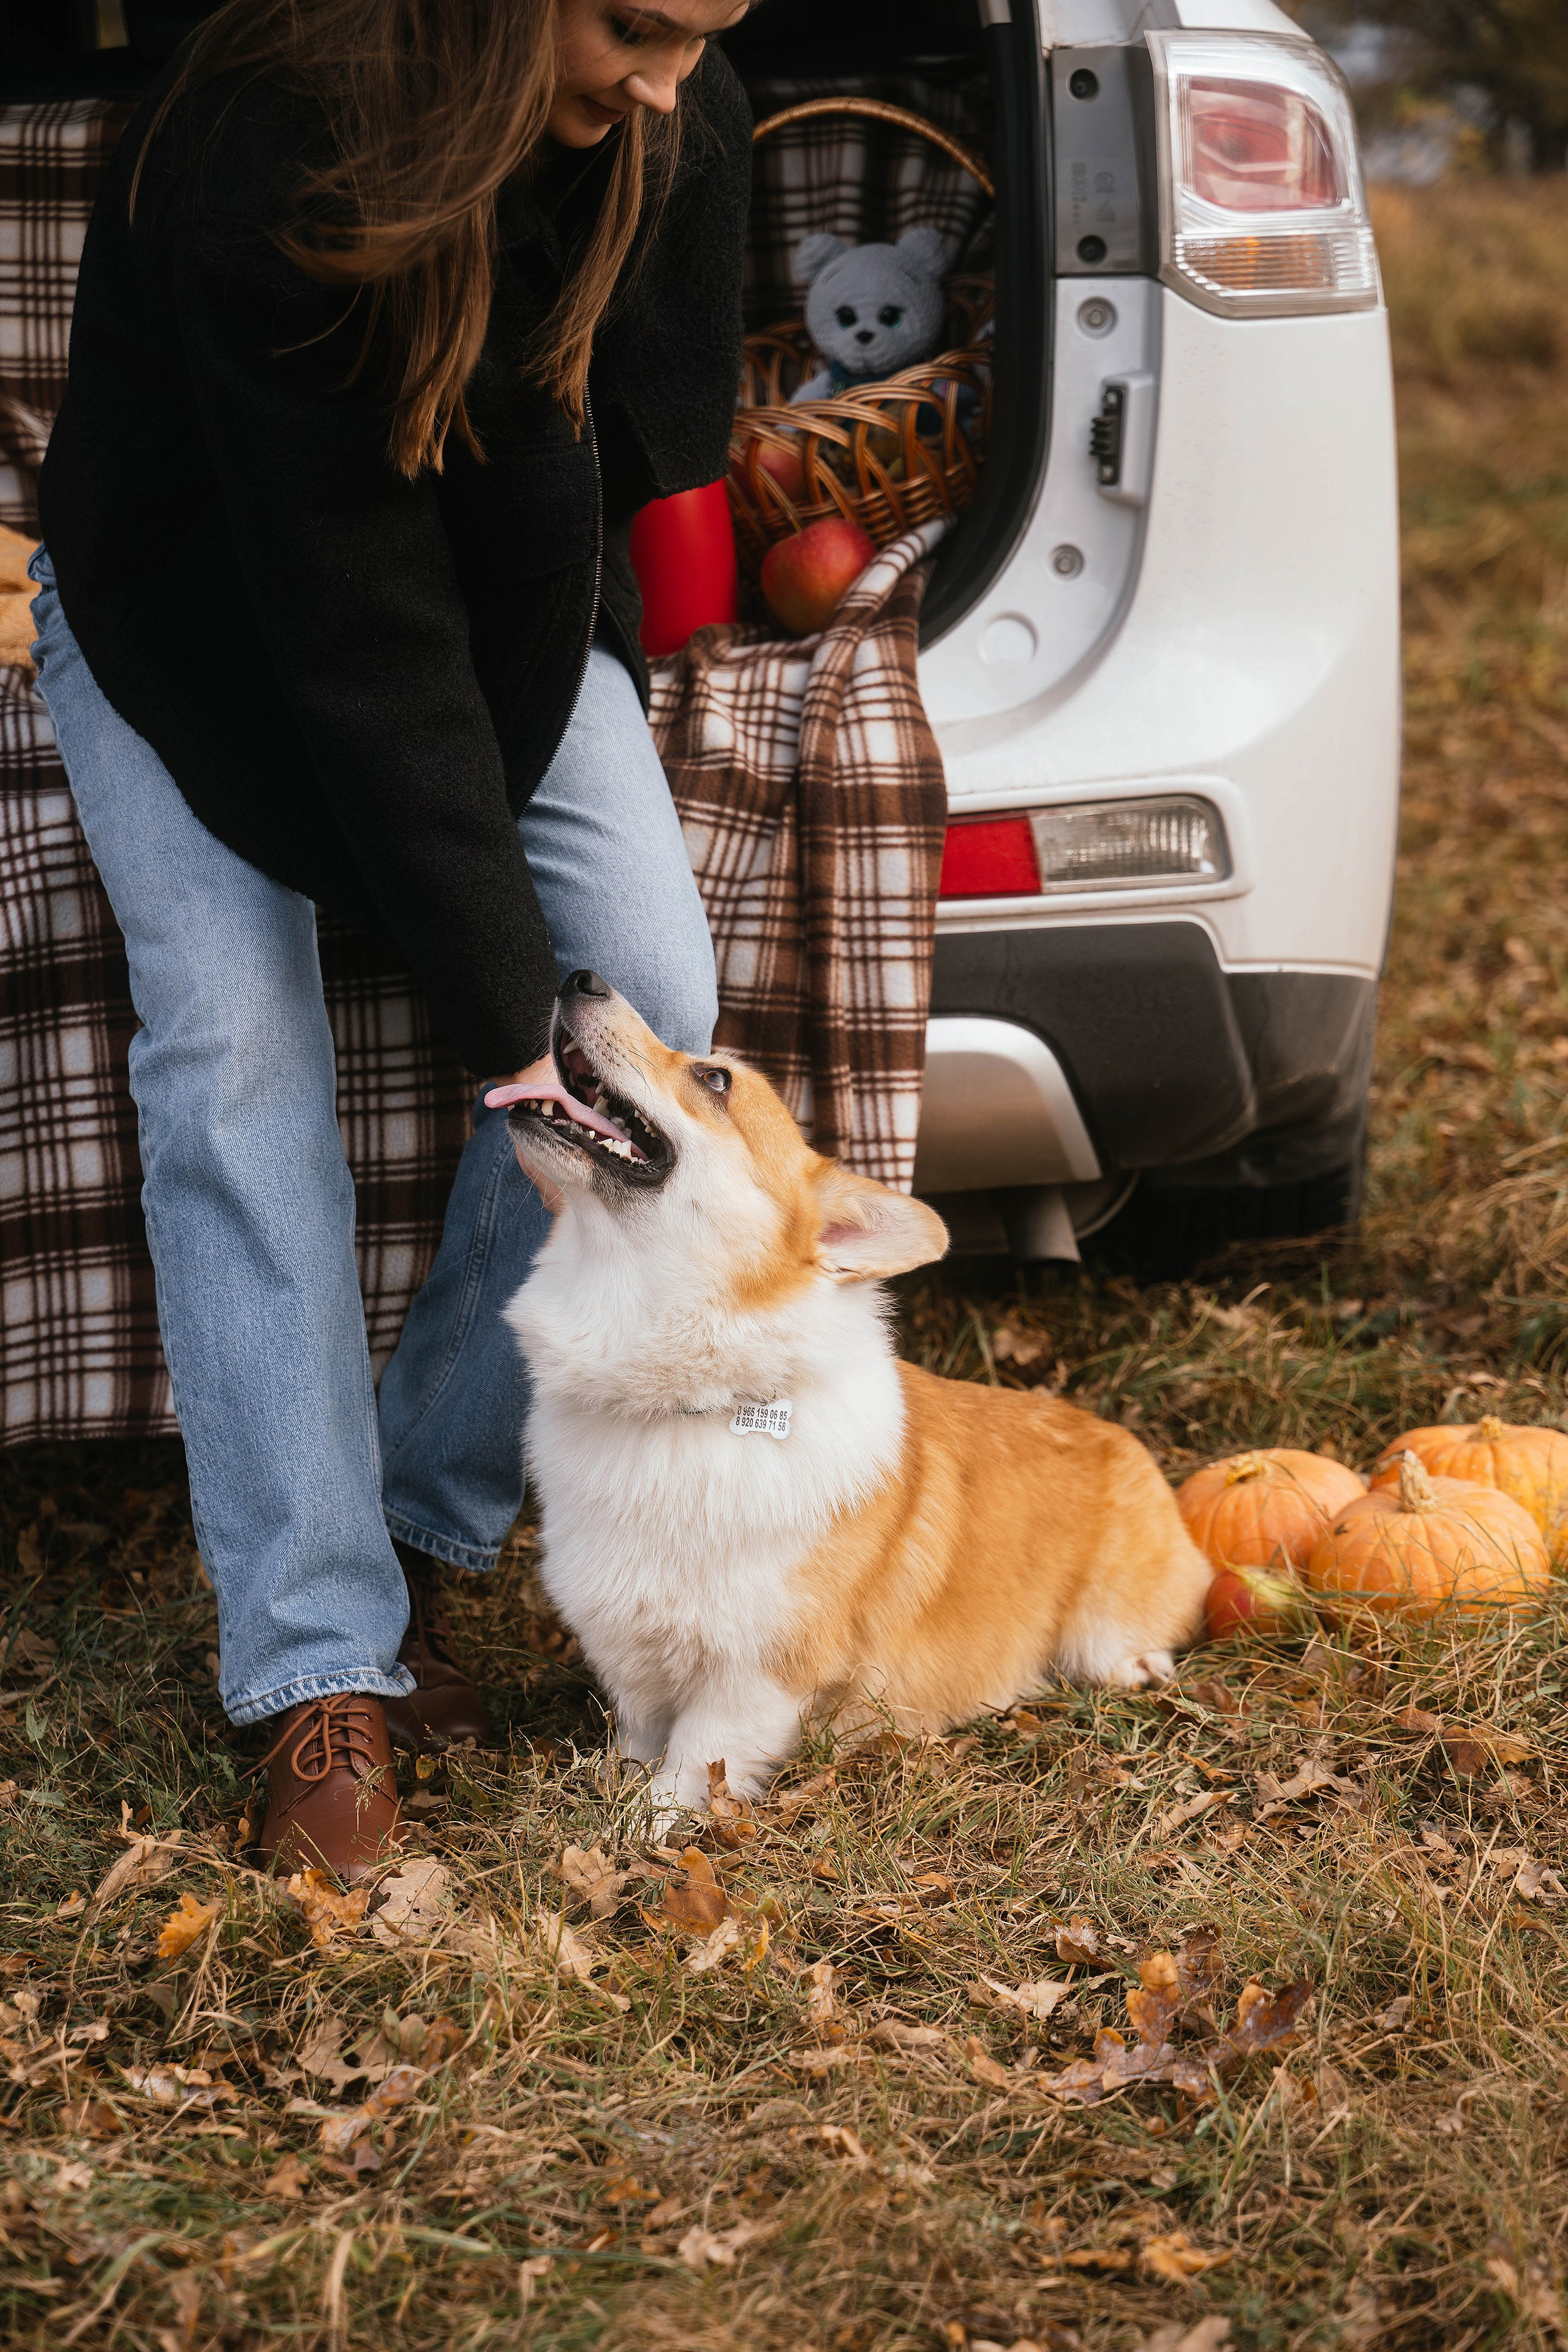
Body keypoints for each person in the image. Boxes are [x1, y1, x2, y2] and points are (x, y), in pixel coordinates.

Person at [30, 0, 752, 1877]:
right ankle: (315, 1664)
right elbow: (351, 642)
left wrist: (559, 1032)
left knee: (648, 1017)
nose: (670, 83)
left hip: (502, 610)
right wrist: (506, 1019)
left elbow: (627, 466)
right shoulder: (260, 133)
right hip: (193, 602)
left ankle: (423, 1535)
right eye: (642, 28)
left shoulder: (666, 116)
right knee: (236, 1041)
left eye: (708, 39)